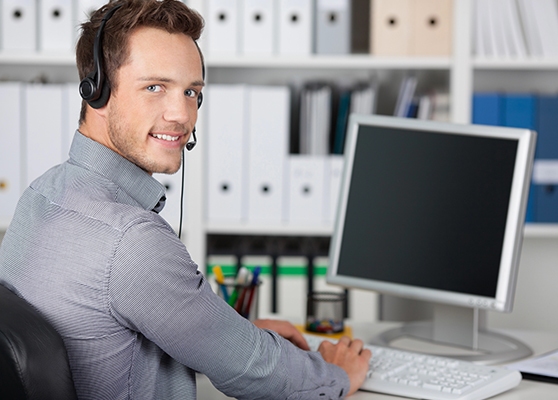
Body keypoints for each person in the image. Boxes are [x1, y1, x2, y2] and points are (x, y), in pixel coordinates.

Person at [0, 0, 371, 399]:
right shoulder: (131, 241)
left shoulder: (41, 194)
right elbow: (250, 369)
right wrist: (336, 375)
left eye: (192, 91)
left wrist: (234, 333)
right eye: (154, 87)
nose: (181, 114)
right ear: (97, 90)